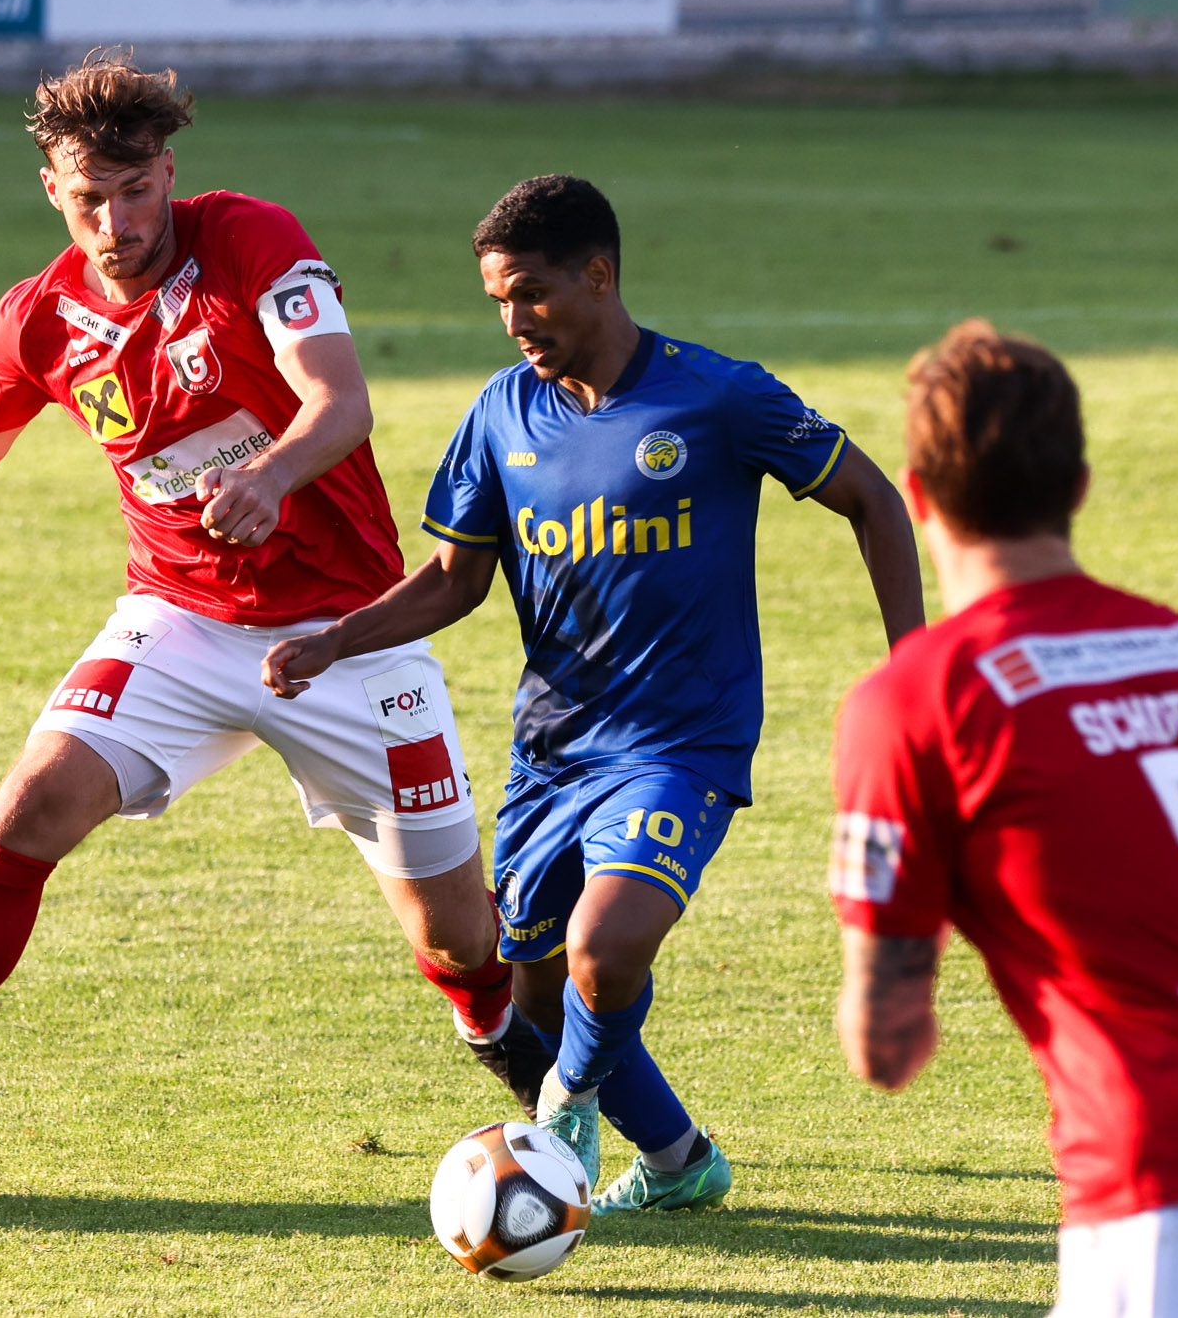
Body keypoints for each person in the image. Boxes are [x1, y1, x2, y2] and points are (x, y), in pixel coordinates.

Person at [0, 53, 550, 1179]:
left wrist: (270, 472)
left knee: (454, 934)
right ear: (52, 190)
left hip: (346, 636)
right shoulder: (41, 316)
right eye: (88, 197)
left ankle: (496, 1030)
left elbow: (338, 398)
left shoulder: (252, 238)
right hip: (175, 620)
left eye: (135, 191)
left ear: (167, 171)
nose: (115, 221)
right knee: (28, 805)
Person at [263, 174, 924, 1212]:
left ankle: (563, 1101)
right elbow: (454, 577)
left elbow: (872, 499)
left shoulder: (713, 397)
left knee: (603, 950)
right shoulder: (501, 412)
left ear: (598, 275)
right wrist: (334, 641)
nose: (513, 320)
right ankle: (674, 1160)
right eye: (496, 300)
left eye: (529, 293)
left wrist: (911, 662)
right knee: (529, 988)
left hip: (682, 742)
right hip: (553, 749)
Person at [828, 320, 1178, 1315]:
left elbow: (884, 1047)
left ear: (916, 493)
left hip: (1172, 1198)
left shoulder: (914, 705)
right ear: (1076, 487)